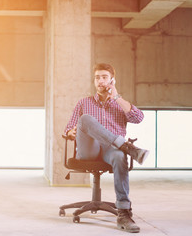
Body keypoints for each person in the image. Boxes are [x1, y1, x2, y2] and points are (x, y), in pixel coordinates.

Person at [64, 63, 149, 233]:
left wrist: (117, 97)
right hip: (89, 150)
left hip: (111, 150)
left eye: (104, 77)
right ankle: (128, 147)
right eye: (97, 78)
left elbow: (139, 118)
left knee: (118, 156)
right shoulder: (84, 103)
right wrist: (72, 133)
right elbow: (68, 129)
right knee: (86, 119)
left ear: (112, 80)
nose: (100, 81)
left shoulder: (120, 103)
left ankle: (123, 212)